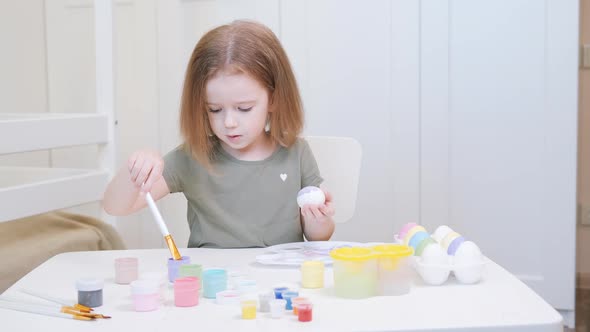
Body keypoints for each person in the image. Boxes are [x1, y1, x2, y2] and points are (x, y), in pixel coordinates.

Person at [103, 20, 335, 248]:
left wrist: (319, 221)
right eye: (214, 109)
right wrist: (135, 168)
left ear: (273, 98)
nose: (229, 123)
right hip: (214, 280)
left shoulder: (296, 153)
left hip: (277, 282)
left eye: (244, 108)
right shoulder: (194, 156)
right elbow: (116, 207)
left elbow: (317, 237)